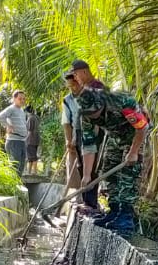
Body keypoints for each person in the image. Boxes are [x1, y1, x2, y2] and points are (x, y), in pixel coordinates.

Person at [71, 59, 147, 233]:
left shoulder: (121, 102)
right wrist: (87, 175)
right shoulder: (86, 115)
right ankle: (114, 211)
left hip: (135, 135)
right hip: (114, 136)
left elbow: (142, 127)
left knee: (128, 173)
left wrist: (134, 152)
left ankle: (126, 216)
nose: (95, 117)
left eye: (96, 113)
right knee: (108, 169)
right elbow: (89, 145)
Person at [61, 71, 101, 212]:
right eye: (70, 86)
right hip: (78, 133)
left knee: (91, 167)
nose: (74, 88)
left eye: (75, 85)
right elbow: (67, 122)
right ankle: (84, 199)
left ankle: (91, 202)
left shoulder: (91, 95)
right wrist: (69, 139)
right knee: (80, 166)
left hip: (93, 132)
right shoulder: (67, 100)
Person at [0, 91, 28, 175]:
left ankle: (18, 184)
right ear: (14, 99)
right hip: (14, 141)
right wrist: (7, 126)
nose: (22, 100)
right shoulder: (11, 108)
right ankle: (13, 185)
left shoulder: (21, 110)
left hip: (22, 141)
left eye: (23, 99)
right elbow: (0, 117)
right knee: (15, 165)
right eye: (20, 98)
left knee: (21, 165)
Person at [25, 104, 42, 174]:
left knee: (33, 157)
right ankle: (29, 172)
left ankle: (34, 172)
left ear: (28, 111)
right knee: (31, 157)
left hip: (30, 139)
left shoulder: (30, 118)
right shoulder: (37, 117)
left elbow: (29, 128)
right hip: (36, 138)